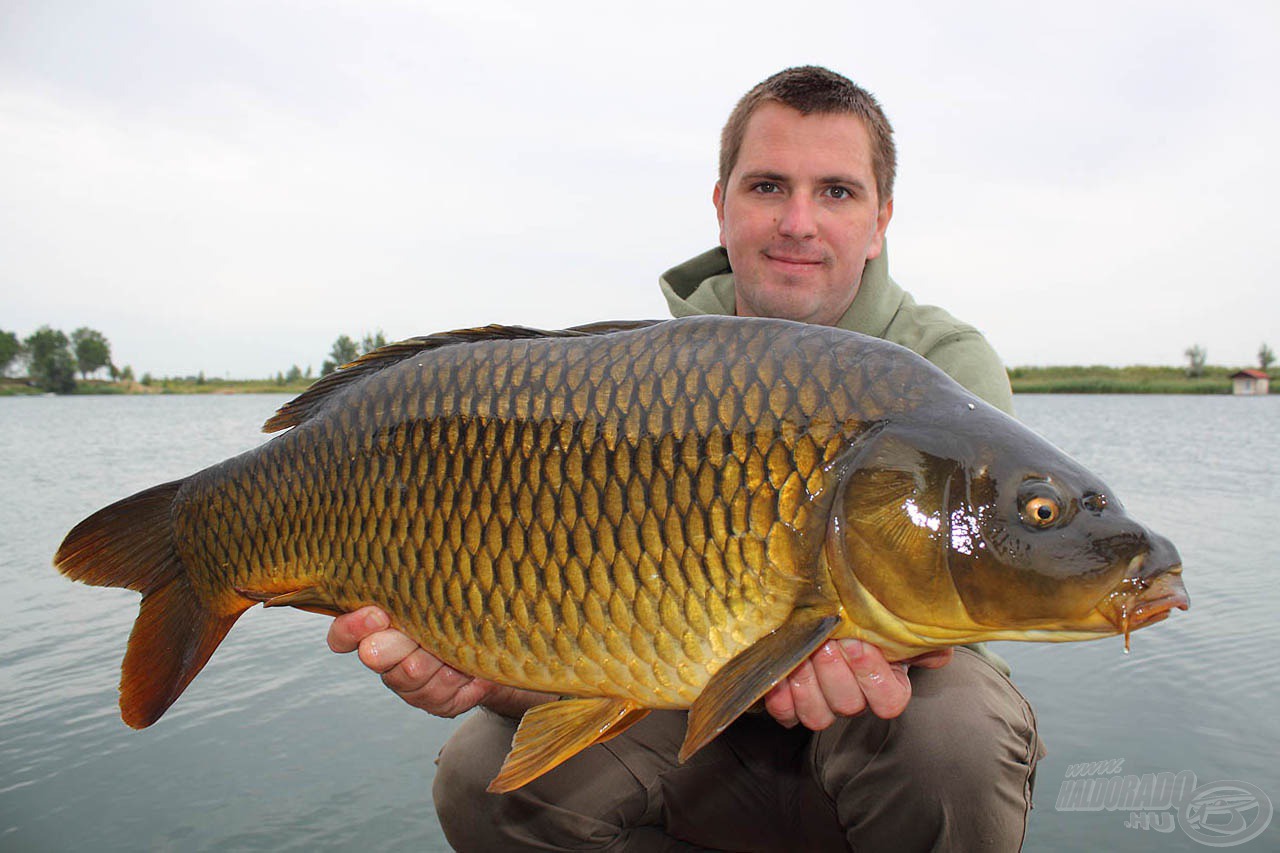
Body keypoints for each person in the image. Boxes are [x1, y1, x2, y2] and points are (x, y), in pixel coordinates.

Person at [328, 66, 1043, 851]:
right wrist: (483, 669)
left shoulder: (942, 370)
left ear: (882, 221)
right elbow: (597, 622)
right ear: (721, 206)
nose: (798, 221)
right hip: (683, 718)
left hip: (873, 736)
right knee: (481, 771)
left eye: (836, 191)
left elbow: (959, 621)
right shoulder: (645, 377)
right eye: (768, 186)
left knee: (955, 733)